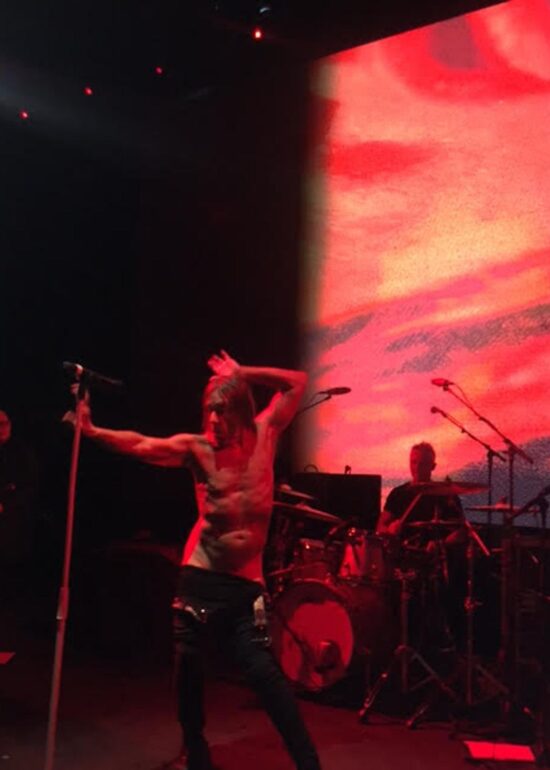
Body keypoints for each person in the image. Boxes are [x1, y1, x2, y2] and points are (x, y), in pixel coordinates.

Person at [65, 351, 322, 770]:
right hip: (200, 580)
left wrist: (243, 372)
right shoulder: (197, 450)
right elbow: (141, 444)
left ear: (240, 410)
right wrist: (93, 432)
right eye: (209, 412)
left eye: (222, 412)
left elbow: (297, 380)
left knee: (264, 674)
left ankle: (308, 762)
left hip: (247, 588)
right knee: (188, 668)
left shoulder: (266, 433)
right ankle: (195, 750)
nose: (214, 421)